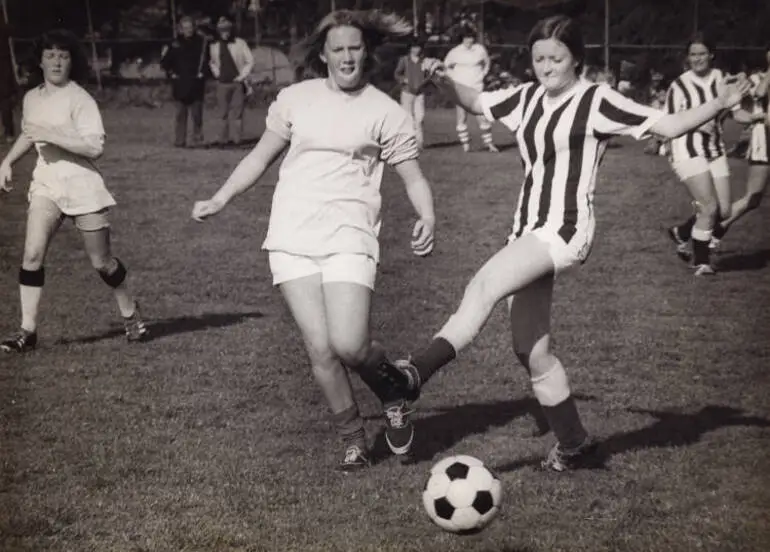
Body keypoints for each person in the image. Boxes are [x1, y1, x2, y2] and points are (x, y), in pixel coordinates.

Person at [382, 15, 750, 470]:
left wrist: (722, 102)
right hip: (527, 228)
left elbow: (669, 126)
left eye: (556, 57)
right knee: (532, 352)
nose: (546, 66)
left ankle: (413, 375)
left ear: (576, 58)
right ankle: (575, 445)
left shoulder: (596, 99)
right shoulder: (526, 97)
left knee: (484, 284)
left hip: (564, 229)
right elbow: (477, 101)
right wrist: (442, 79)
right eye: (538, 58)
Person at [191, 10, 436, 471]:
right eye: (338, 48)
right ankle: (354, 441)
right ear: (322, 54)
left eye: (355, 48)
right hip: (290, 235)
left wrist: (427, 214)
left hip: (350, 233)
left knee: (349, 344)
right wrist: (220, 198)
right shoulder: (294, 99)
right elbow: (260, 156)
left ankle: (395, 387)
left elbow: (413, 175)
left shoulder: (385, 110)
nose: (347, 56)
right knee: (320, 348)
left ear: (367, 52)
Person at [0, 30, 149, 353]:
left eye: (63, 55)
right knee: (32, 255)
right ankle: (27, 331)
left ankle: (130, 312)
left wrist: (53, 136)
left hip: (83, 187)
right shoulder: (31, 98)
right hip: (47, 184)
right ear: (39, 60)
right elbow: (29, 132)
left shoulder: (80, 99)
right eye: (50, 55)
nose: (56, 61)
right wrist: (7, 161)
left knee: (103, 263)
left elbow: (95, 147)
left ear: (72, 62)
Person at [664, 34, 747, 275]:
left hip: (714, 149)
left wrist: (758, 118)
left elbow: (737, 113)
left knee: (724, 210)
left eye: (702, 54)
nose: (697, 59)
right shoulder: (678, 86)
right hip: (686, 149)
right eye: (693, 54)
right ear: (687, 58)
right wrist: (698, 123)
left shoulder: (721, 78)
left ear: (711, 55)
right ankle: (702, 262)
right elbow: (670, 121)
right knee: (709, 207)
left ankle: (682, 233)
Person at [709, 48, 770, 241]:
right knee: (753, 196)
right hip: (765, 141)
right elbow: (760, 93)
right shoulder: (756, 78)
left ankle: (716, 228)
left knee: (754, 199)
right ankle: (704, 229)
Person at [444, 25, 498, 153]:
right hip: (461, 89)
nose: (469, 41)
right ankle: (466, 145)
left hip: (477, 87)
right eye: (466, 38)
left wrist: (483, 74)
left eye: (471, 38)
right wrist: (454, 79)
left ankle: (489, 144)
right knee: (461, 116)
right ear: (462, 39)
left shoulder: (479, 49)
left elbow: (487, 63)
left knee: (482, 116)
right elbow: (446, 67)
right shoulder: (455, 52)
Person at [161, 16, 208, 148]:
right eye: (185, 28)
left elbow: (207, 61)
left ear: (194, 28)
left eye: (190, 27)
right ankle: (180, 140)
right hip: (180, 84)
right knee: (180, 114)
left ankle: (197, 139)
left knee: (197, 114)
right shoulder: (175, 44)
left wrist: (203, 73)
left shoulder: (202, 43)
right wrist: (172, 74)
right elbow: (165, 63)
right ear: (181, 29)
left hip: (196, 83)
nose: (188, 30)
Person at [208, 16, 254, 147]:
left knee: (237, 113)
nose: (225, 32)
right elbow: (211, 62)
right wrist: (217, 74)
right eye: (222, 30)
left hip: (237, 83)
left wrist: (242, 76)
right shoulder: (214, 46)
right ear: (218, 31)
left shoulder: (240, 43)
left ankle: (237, 140)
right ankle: (223, 140)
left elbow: (250, 61)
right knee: (222, 113)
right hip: (222, 83)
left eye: (227, 29)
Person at [394, 39, 429, 149]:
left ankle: (419, 142)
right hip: (407, 92)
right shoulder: (404, 60)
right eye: (414, 47)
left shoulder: (424, 61)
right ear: (410, 48)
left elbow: (428, 74)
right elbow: (397, 73)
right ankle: (408, 142)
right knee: (408, 118)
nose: (416, 50)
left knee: (420, 117)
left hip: (419, 93)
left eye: (418, 47)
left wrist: (425, 81)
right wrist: (403, 79)